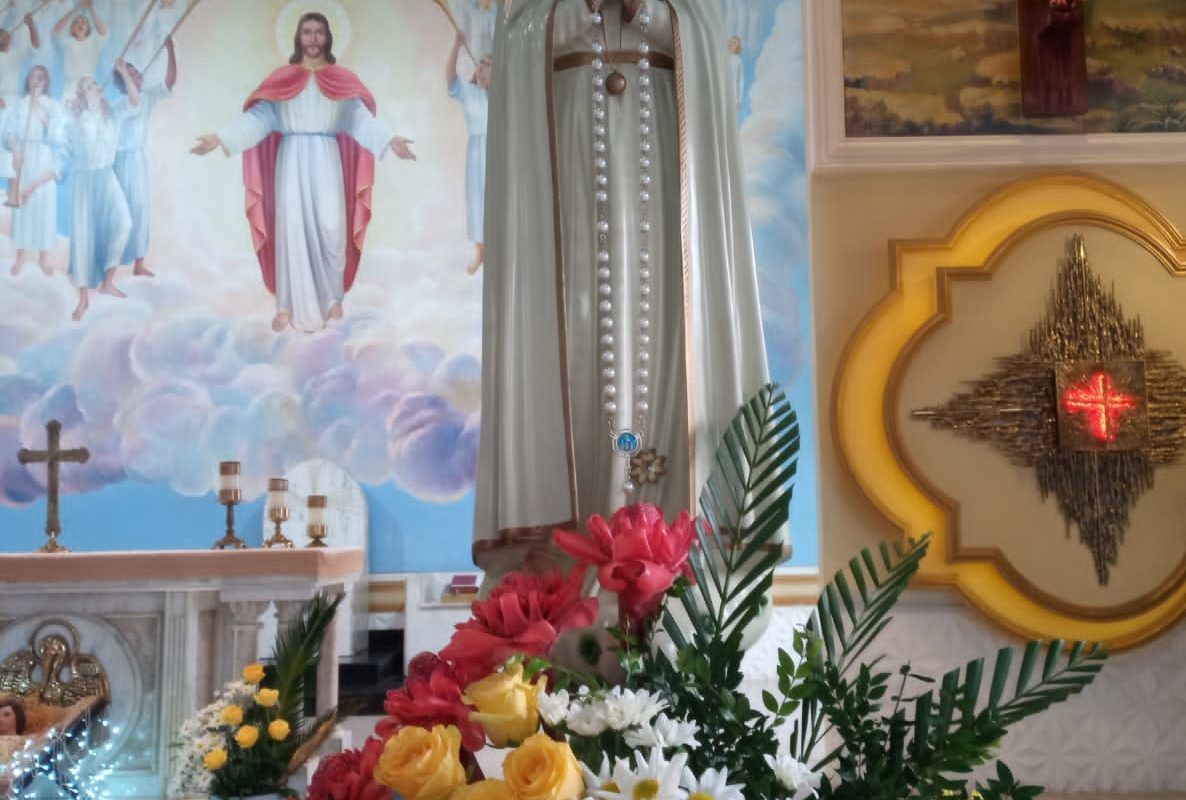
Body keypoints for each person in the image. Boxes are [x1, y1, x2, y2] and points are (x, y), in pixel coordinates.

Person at [472, 0, 772, 579]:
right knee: (576, 331)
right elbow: (516, 41)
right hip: (567, 159)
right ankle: (570, 554)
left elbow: (705, 35)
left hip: (663, 154)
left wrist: (647, 11)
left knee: (668, 328)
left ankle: (670, 547)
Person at [191, 12, 417, 333]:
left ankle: (332, 298)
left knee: (331, 224)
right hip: (292, 159)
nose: (313, 38)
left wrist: (390, 140)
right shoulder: (282, 80)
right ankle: (286, 305)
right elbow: (257, 119)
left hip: (326, 158)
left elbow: (360, 120)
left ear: (328, 37)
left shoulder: (341, 80)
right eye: (307, 32)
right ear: (298, 37)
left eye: (319, 32)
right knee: (292, 226)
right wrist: (220, 138)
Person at [66, 75, 132, 320]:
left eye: (94, 85)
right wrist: (85, 111)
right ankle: (83, 299)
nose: (94, 89)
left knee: (124, 223)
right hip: (85, 178)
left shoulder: (110, 116)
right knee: (84, 237)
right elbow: (73, 145)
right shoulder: (75, 118)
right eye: (87, 88)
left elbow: (133, 103)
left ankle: (108, 282)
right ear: (82, 95)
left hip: (106, 175)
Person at [112, 37, 176, 278]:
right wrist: (122, 71)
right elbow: (133, 100)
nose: (136, 74)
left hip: (137, 160)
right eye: (130, 73)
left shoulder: (147, 96)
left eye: (135, 71)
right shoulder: (121, 103)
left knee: (140, 209)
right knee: (121, 212)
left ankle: (138, 264)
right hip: (120, 161)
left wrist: (170, 50)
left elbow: (169, 82)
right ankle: (112, 265)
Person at [5, 64, 64, 277]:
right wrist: (15, 151)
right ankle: (21, 256)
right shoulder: (20, 104)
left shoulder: (53, 105)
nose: (36, 80)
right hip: (24, 155)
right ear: (28, 81)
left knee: (43, 205)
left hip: (44, 154)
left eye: (40, 77)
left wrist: (38, 106)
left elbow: (56, 134)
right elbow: (10, 131)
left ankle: (43, 257)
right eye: (33, 76)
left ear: (46, 82)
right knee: (23, 206)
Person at [446, 31, 489, 275]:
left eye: (487, 64)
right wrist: (456, 45)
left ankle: (497, 249)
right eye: (480, 63)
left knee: (495, 198)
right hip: (476, 152)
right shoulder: (468, 92)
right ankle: (480, 253)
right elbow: (451, 77)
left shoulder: (502, 96)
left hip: (497, 150)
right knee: (477, 200)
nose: (481, 67)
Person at [0, 11, 41, 203]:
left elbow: (35, 47)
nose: (5, 37)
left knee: (14, 149)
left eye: (6, 34)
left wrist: (30, 24)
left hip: (13, 104)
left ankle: (12, 195)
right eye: (1, 35)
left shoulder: (16, 55)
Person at [52, 0, 108, 100]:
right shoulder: (67, 43)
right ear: (72, 29)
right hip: (71, 89)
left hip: (89, 88)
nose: (80, 24)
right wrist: (76, 9)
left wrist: (91, 9)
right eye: (76, 23)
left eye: (84, 22)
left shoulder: (94, 42)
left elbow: (104, 33)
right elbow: (56, 32)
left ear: (88, 28)